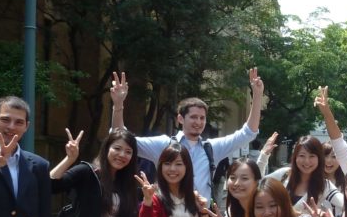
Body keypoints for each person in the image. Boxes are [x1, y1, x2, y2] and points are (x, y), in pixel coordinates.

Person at [109, 69, 264, 205]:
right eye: (194, 117)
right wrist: (118, 105)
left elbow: (247, 134)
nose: (198, 122)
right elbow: (122, 139)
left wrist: (257, 96)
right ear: (181, 119)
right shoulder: (164, 145)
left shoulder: (212, 148)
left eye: (202, 118)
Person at [264, 135, 344, 217]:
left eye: (312, 156)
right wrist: (264, 155)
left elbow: (346, 203)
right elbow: (257, 182)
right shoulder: (284, 174)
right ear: (295, 157)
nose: (307, 161)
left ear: (319, 159)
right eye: (302, 155)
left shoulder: (324, 185)